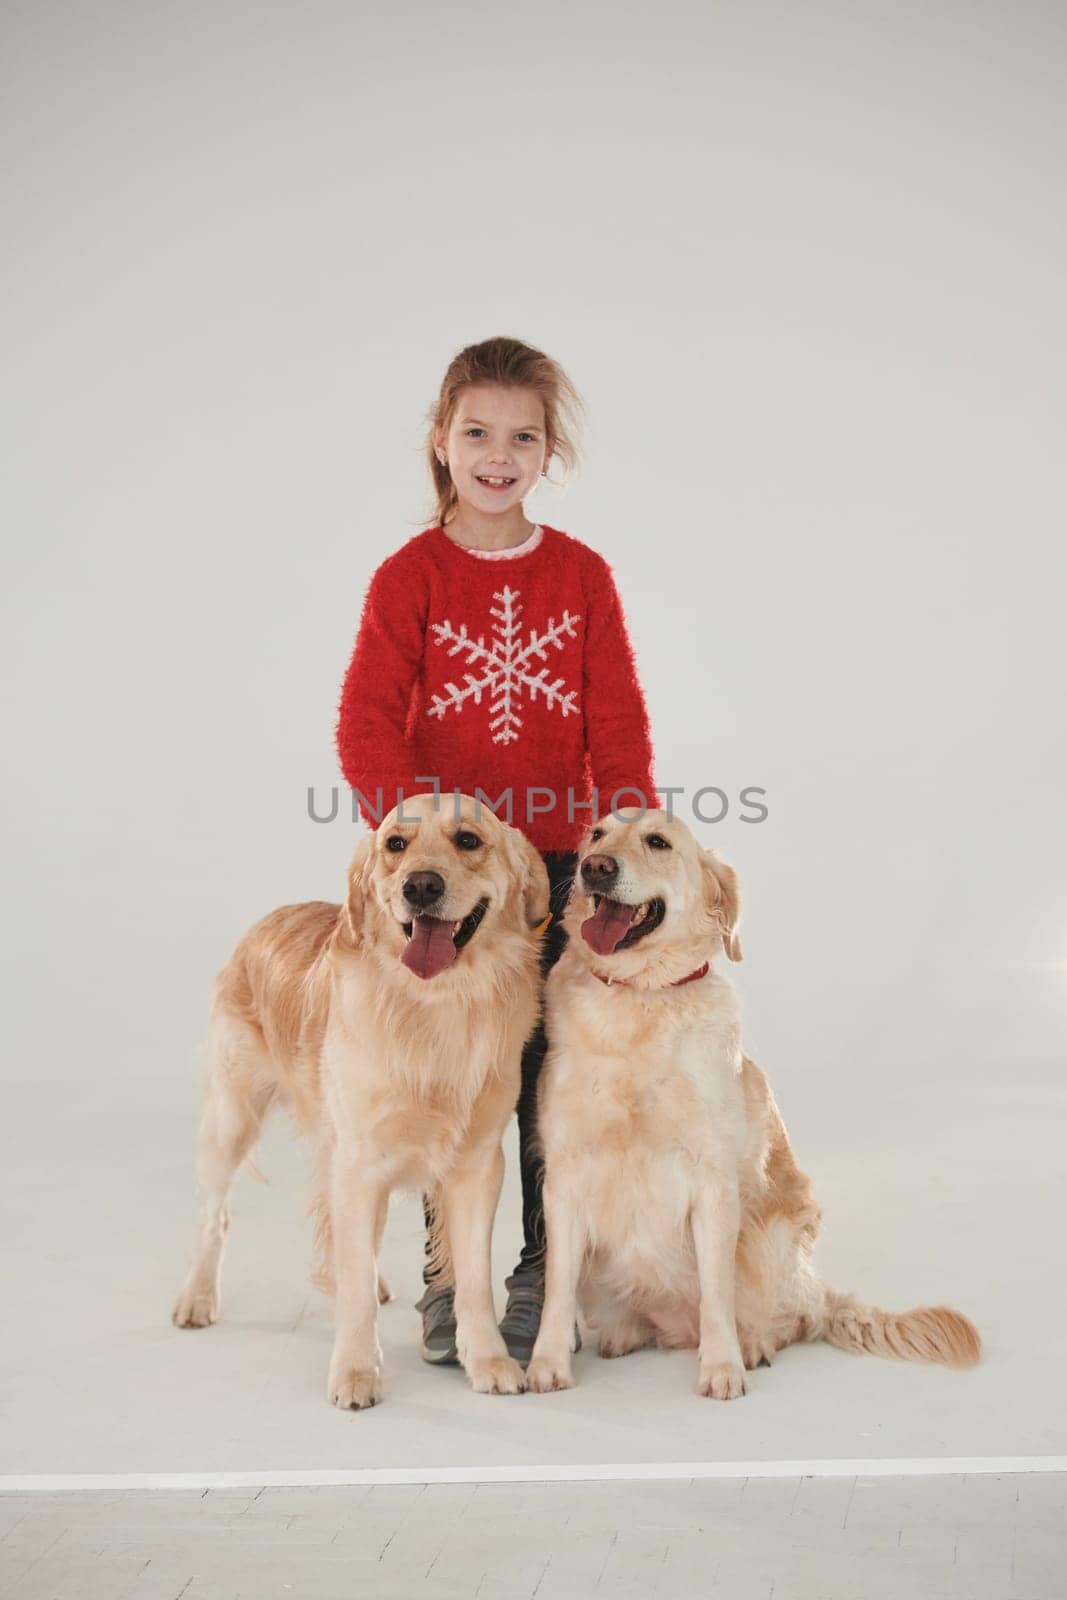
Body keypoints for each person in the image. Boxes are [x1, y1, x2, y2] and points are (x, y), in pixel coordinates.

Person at [334, 335, 656, 1365]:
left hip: (557, 871)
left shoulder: (582, 575)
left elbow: (616, 725)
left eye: (522, 436)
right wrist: (418, 849)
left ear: (547, 452)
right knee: (452, 1077)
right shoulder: (409, 575)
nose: (497, 453)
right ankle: (447, 1278)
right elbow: (365, 724)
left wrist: (627, 844)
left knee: (544, 1078)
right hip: (455, 885)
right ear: (440, 441)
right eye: (476, 431)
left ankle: (535, 1277)